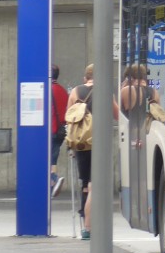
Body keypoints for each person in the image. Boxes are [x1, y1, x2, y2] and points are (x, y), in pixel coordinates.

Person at [67, 63, 120, 240]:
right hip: (99, 144)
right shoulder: (105, 92)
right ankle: (89, 226)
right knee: (94, 185)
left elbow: (69, 118)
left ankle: (85, 221)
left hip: (81, 145)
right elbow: (117, 115)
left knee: (85, 184)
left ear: (85, 77)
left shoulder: (75, 92)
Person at [49, 65, 69, 198]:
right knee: (53, 160)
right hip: (60, 132)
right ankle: (51, 186)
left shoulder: (47, 90)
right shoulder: (63, 91)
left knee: (45, 159)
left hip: (50, 130)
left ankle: (55, 179)